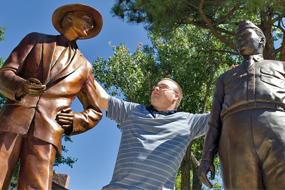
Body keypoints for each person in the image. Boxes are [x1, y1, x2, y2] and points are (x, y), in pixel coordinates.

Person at [0, 4, 103, 189]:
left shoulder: (85, 67)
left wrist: (75, 120)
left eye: (92, 25)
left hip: (47, 132)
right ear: (70, 17)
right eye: (87, 20)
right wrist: (21, 86)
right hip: (12, 122)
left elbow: (95, 111)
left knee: (36, 186)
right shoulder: (35, 40)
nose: (90, 26)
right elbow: (5, 72)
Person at [198, 20, 285, 189]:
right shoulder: (224, 78)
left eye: (245, 35)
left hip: (279, 132)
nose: (240, 40)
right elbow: (214, 122)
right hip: (234, 140)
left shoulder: (282, 67)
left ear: (261, 40)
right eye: (237, 38)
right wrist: (207, 156)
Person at [94, 78, 210, 190]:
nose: (157, 88)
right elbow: (101, 97)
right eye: (156, 86)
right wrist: (80, 65)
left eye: (163, 87)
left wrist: (228, 78)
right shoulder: (132, 111)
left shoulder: (189, 122)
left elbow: (223, 114)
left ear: (176, 96)